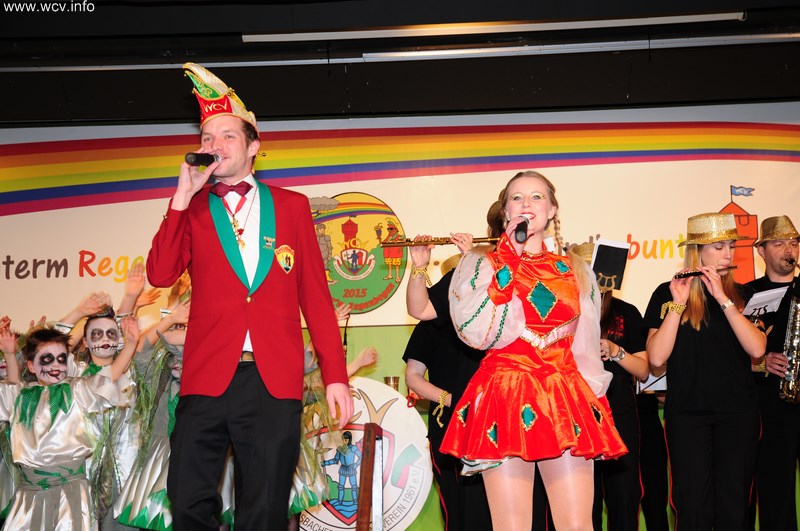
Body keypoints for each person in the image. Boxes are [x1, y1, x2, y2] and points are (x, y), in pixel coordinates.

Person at [145, 63, 352, 531]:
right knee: (187, 498)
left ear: (254, 146)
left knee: (264, 509)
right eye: (206, 137)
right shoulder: (191, 208)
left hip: (272, 378)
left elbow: (316, 299)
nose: (214, 144)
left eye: (226, 136)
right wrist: (181, 196)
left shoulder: (293, 206)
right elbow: (160, 273)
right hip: (206, 375)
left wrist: (335, 376)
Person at [440, 170, 627, 531]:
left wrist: (594, 400)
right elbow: (477, 332)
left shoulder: (575, 270)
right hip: (506, 394)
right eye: (517, 197)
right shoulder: (481, 263)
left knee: (578, 525)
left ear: (552, 209)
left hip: (563, 395)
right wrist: (508, 258)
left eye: (537, 196)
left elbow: (585, 346)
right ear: (505, 212)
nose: (527, 203)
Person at [645, 212, 766, 530]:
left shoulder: (745, 295)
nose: (729, 254)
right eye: (719, 247)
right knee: (692, 505)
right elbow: (656, 357)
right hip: (687, 414)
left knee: (734, 504)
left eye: (731, 246)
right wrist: (678, 303)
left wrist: (723, 298)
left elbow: (757, 349)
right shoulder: (666, 294)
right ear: (697, 251)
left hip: (738, 413)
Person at [0, 321, 138, 531]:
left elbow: (108, 378)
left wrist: (131, 345)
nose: (55, 365)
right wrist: (10, 355)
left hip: (69, 493)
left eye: (61, 359)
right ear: (31, 366)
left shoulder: (77, 390)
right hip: (29, 493)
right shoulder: (22, 396)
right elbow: (12, 387)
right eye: (47, 359)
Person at [404, 245, 493, 531]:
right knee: (456, 507)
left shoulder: (495, 316)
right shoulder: (432, 323)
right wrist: (449, 398)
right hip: (448, 424)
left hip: (490, 422)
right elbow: (412, 376)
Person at [572, 242, 651, 531]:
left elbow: (643, 370)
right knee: (582, 503)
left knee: (624, 498)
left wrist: (616, 351)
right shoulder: (565, 310)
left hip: (620, 414)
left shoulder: (626, 312)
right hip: (577, 416)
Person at [746, 215, 800, 531]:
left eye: (793, 243)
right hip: (769, 406)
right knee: (776, 490)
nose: (788, 250)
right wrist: (761, 361)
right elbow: (728, 353)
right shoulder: (746, 295)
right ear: (761, 251)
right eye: (778, 244)